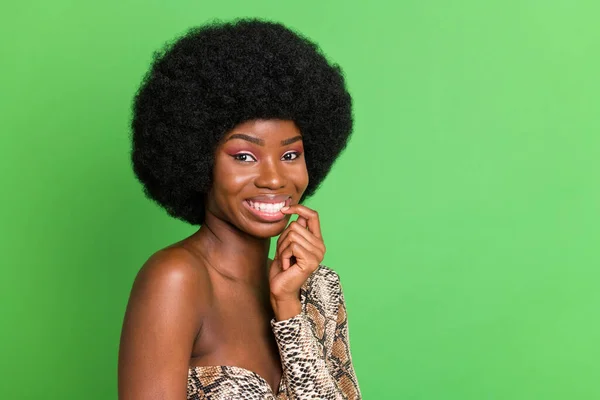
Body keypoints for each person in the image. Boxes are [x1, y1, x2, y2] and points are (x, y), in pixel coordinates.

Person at [118, 18, 361, 399]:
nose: (274, 178)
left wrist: (287, 310)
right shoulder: (176, 280)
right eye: (245, 156)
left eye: (291, 154)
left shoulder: (316, 288)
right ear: (199, 160)